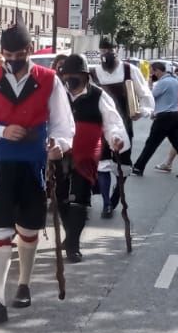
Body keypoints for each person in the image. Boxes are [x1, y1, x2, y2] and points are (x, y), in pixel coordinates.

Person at [0, 23, 73, 324]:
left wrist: (59, 145)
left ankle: (24, 283)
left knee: (28, 228)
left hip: (32, 162)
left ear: (30, 51)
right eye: (8, 53)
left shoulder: (48, 80)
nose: (13, 58)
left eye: (19, 53)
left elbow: (63, 123)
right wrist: (0, 129)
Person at [55, 56, 130, 262]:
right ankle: (70, 232)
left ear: (85, 76)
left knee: (80, 196)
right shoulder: (57, 94)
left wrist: (116, 138)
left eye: (75, 77)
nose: (70, 81)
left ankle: (73, 244)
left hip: (86, 151)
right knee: (59, 194)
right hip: (60, 150)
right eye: (67, 76)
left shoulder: (99, 95)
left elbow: (113, 122)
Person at [91, 38, 153, 215]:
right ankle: (106, 203)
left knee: (123, 165)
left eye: (109, 50)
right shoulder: (94, 72)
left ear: (116, 50)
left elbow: (144, 93)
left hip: (124, 125)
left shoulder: (129, 70)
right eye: (103, 50)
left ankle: (116, 196)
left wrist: (143, 111)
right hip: (100, 126)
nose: (106, 54)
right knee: (102, 163)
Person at [132, 62, 178, 178]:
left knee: (151, 143)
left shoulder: (163, 82)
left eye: (152, 72)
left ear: (157, 71)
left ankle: (138, 167)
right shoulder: (174, 81)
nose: (152, 74)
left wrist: (150, 83)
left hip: (164, 117)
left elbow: (150, 97)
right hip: (174, 115)